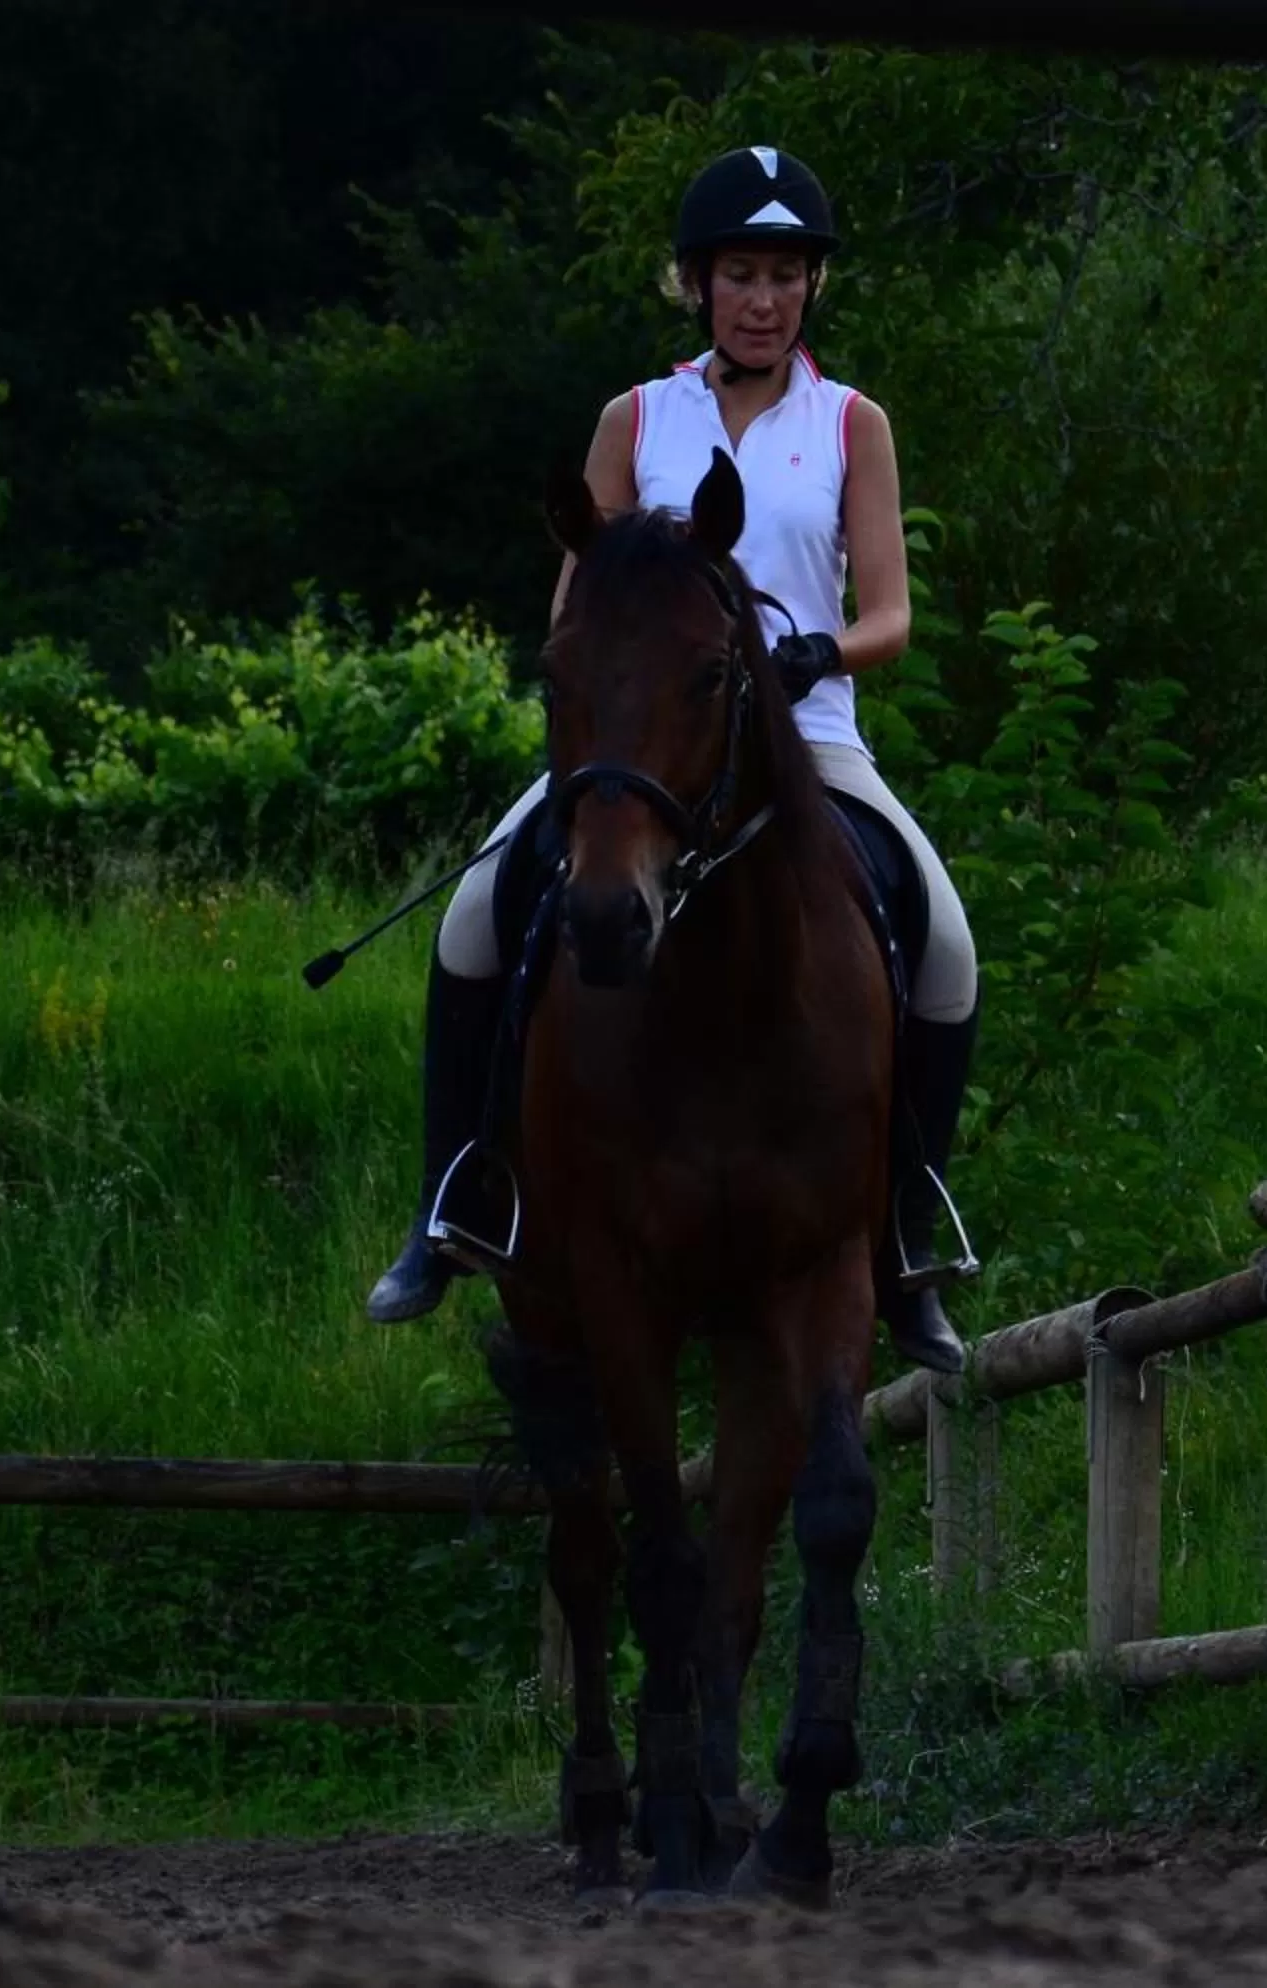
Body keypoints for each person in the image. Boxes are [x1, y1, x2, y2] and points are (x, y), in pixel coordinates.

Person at [363, 143, 983, 1375]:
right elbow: (573, 603)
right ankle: (455, 1205)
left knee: (949, 946)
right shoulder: (635, 418)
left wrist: (817, 651)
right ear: (699, 284)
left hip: (806, 739)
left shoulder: (852, 423)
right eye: (742, 275)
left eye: (787, 277)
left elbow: (893, 614)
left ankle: (907, 1238)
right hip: (642, 745)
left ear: (810, 288)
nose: (765, 300)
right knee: (474, 917)